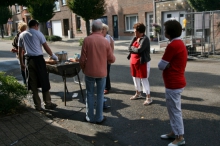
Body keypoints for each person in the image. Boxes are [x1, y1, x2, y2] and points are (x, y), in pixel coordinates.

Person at [79, 19, 115, 124]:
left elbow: (82, 59)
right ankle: (99, 118)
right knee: (100, 95)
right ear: (101, 29)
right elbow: (111, 59)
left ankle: (89, 117)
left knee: (89, 94)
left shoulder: (87, 40)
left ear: (92, 28)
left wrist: (84, 68)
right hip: (102, 73)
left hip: (89, 72)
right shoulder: (105, 41)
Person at [18, 19, 59, 111]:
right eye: (38, 26)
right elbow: (46, 47)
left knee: (33, 83)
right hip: (39, 60)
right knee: (44, 80)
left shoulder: (22, 35)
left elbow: (20, 51)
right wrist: (54, 56)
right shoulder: (38, 33)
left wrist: (21, 63)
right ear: (36, 25)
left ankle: (38, 106)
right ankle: (47, 103)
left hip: (28, 60)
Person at [158, 20, 187, 146]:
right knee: (172, 110)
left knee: (175, 111)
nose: (164, 32)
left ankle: (180, 137)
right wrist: (167, 65)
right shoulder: (179, 43)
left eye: (165, 30)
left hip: (174, 83)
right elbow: (165, 65)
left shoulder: (172, 46)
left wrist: (167, 65)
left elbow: (160, 65)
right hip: (175, 82)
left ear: (169, 32)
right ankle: (174, 132)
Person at [127, 22, 152, 105]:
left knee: (144, 79)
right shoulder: (135, 38)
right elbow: (129, 47)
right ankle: (138, 93)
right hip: (133, 61)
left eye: (135, 31)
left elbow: (139, 50)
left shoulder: (145, 39)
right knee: (135, 78)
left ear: (140, 31)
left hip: (142, 62)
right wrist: (134, 48)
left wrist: (133, 48)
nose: (134, 33)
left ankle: (148, 97)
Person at [101, 23, 114, 94]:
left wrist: (110, 58)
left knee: (106, 73)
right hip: (100, 58)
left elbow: (112, 48)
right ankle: (104, 86)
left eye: (104, 29)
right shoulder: (99, 37)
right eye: (101, 29)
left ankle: (106, 88)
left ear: (106, 30)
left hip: (107, 58)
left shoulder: (109, 37)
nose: (102, 30)